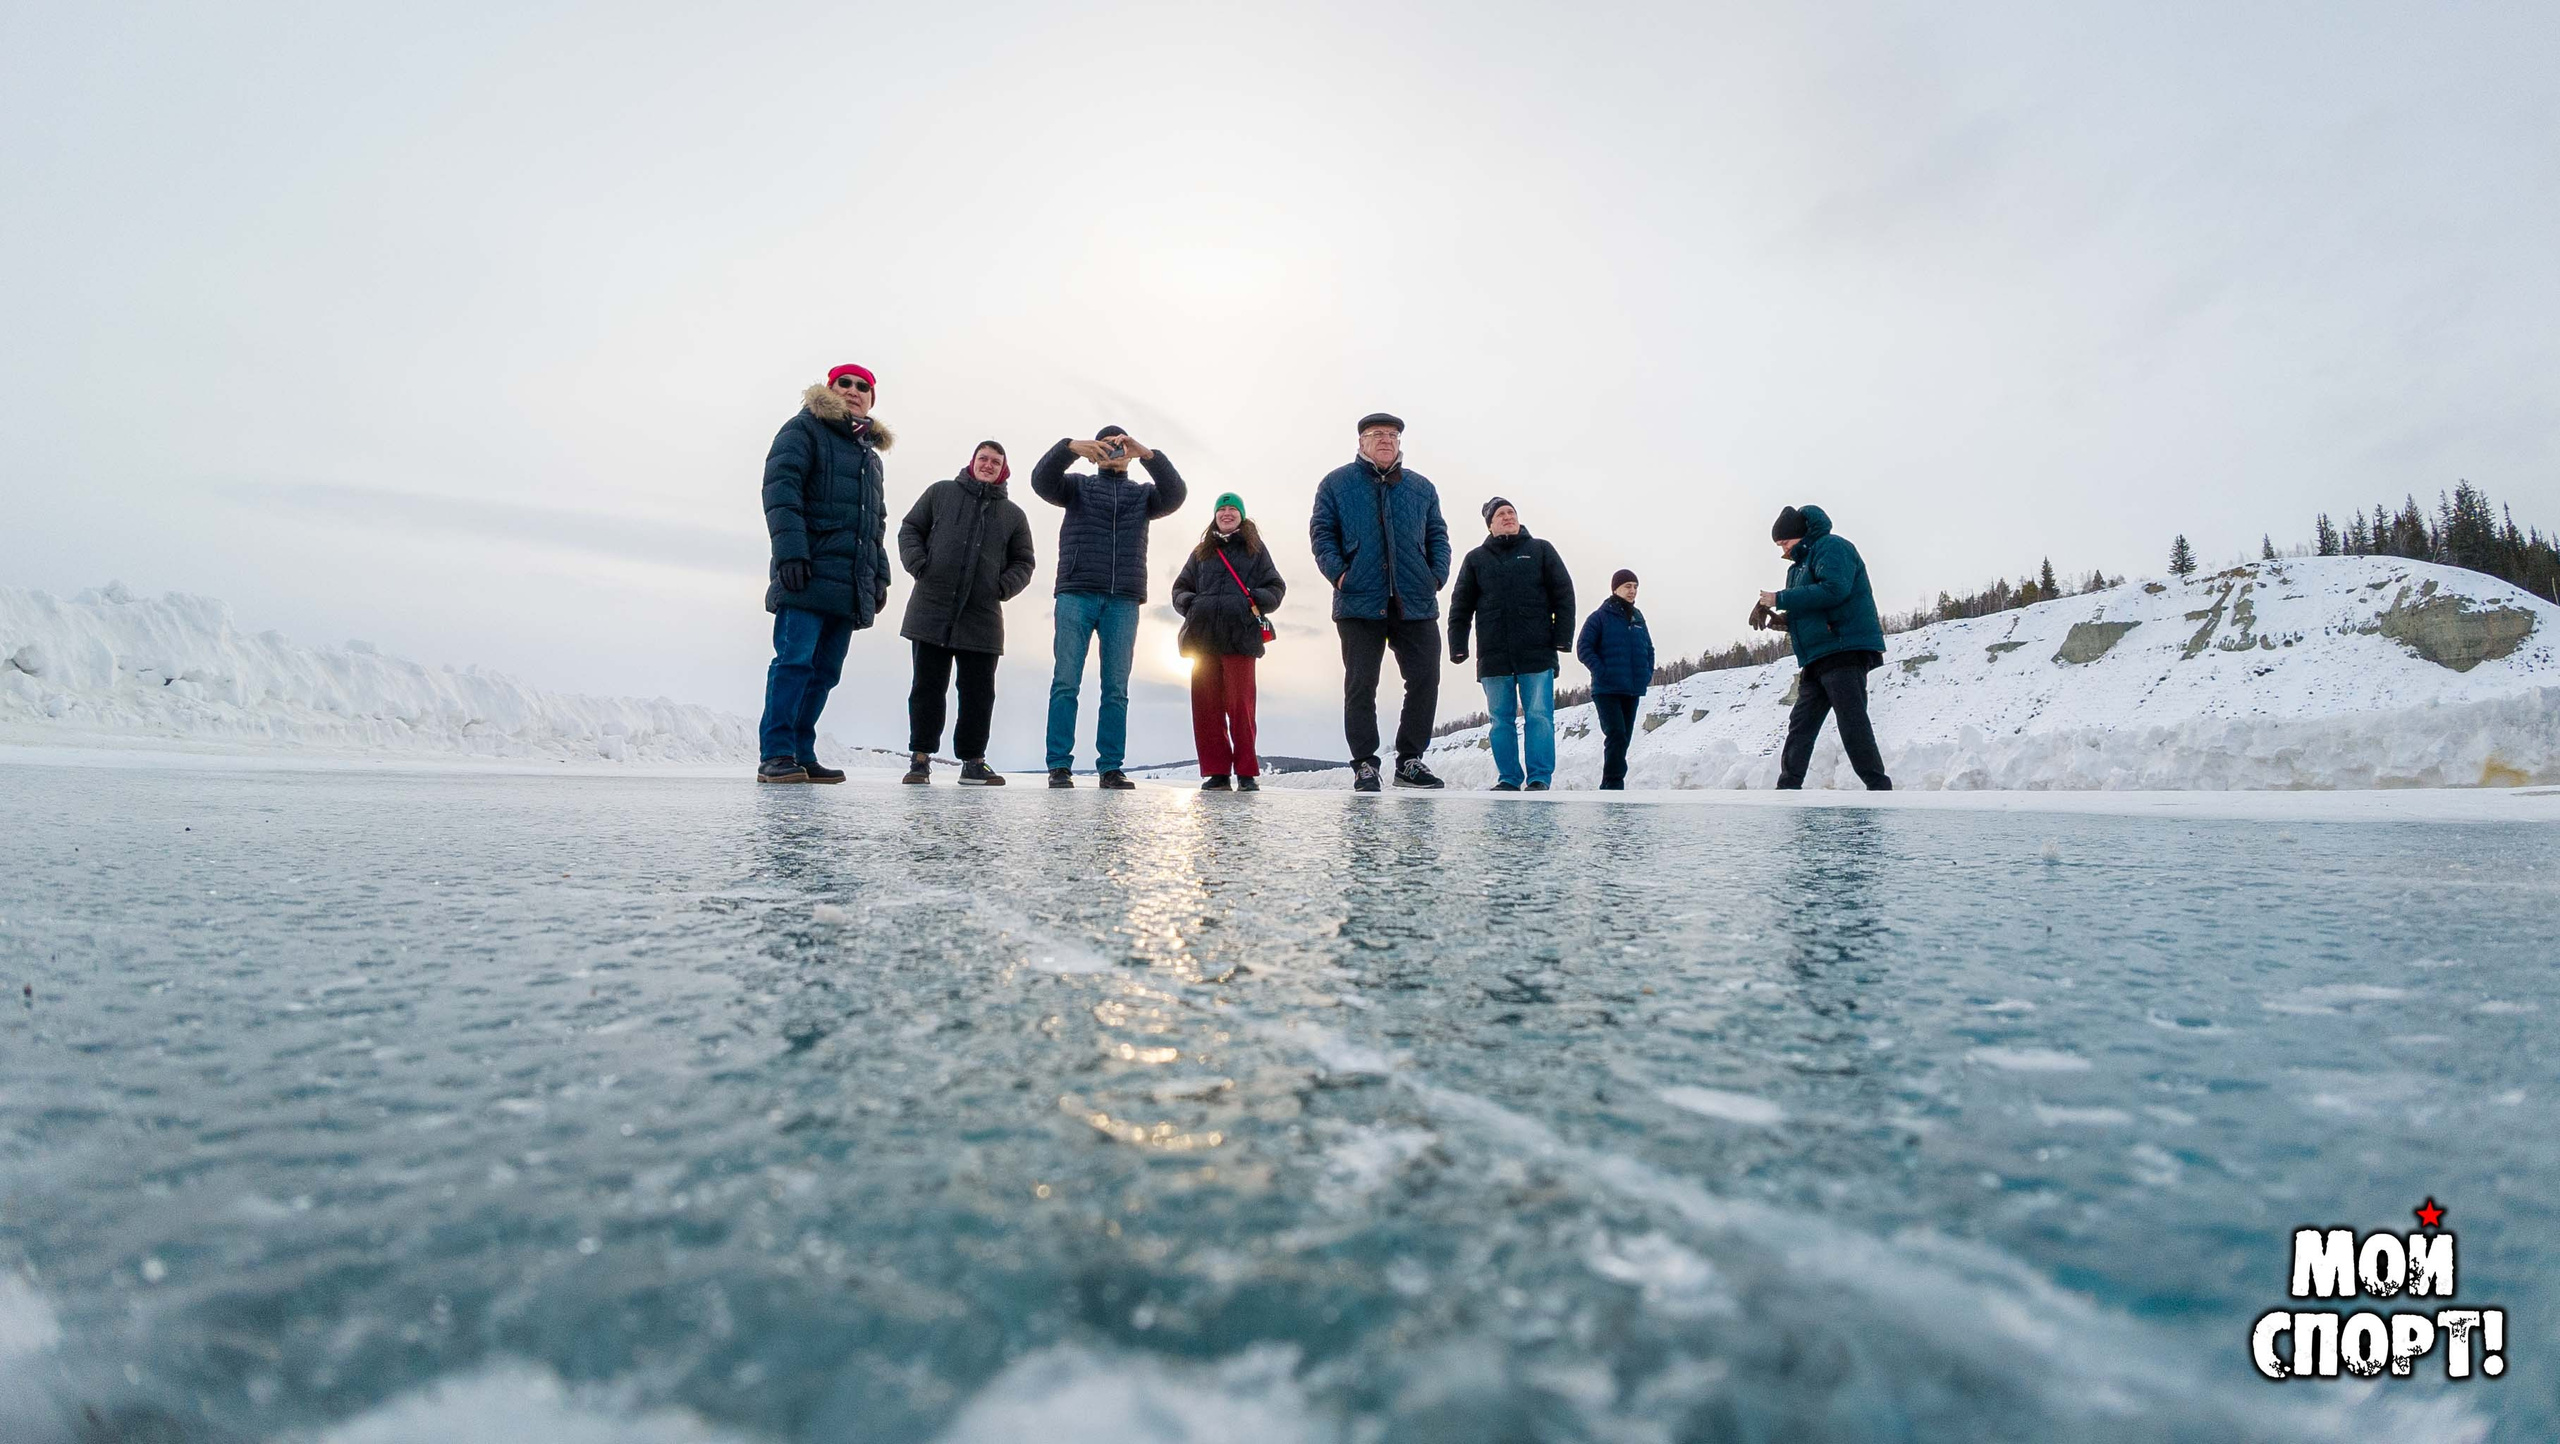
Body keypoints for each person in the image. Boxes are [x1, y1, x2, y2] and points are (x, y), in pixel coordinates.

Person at [757, 363, 893, 784]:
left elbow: (876, 522)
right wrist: (790, 554)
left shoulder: (870, 458)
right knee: (794, 662)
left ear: (871, 399)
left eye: (862, 387)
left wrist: (879, 577)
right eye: (844, 383)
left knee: (825, 672)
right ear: (830, 389)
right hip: (807, 571)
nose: (853, 390)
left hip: (849, 582)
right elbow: (781, 489)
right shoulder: (803, 430)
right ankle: (776, 753)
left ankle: (801, 751)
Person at [1031, 426, 1188, 789]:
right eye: (1107, 445)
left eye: (1120, 446)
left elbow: (1176, 494)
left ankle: (1111, 768)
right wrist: (1070, 447)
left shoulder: (1143, 496)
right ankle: (1059, 765)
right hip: (1076, 593)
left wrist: (1147, 454)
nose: (1115, 451)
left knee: (1116, 689)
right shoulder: (1076, 487)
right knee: (1066, 682)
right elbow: (1041, 481)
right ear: (1094, 452)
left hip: (1123, 600)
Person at [1309, 412, 1451, 792]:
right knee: (1361, 684)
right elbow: (1322, 534)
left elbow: (1438, 535)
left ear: (1399, 443)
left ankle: (1410, 760)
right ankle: (1365, 764)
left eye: (1392, 434)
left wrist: (1435, 576)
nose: (1386, 439)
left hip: (1415, 599)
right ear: (1361, 443)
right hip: (1359, 600)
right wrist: (1341, 575)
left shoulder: (1421, 488)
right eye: (1376, 434)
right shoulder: (1336, 484)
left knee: (1425, 679)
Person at [896, 441, 1036, 786]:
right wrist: (919, 564)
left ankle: (973, 762)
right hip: (931, 607)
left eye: (995, 462)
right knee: (927, 687)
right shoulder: (940, 493)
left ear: (1003, 469)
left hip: (982, 615)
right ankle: (920, 759)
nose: (988, 465)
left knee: (978, 693)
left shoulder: (1013, 515)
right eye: (983, 458)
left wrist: (1002, 587)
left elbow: (1024, 561)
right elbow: (910, 528)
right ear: (972, 462)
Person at [1761, 504, 1892, 790]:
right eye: (1779, 544)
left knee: (1851, 721)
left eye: (1785, 541)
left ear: (1800, 534)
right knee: (1800, 726)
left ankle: (1879, 787)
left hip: (1843, 649)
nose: (1783, 548)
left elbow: (1834, 590)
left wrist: (1780, 598)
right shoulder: (1797, 568)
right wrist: (1784, 619)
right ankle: (1787, 788)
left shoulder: (1831, 547)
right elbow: (1811, 605)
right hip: (1816, 656)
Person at [1448, 497, 1575, 791]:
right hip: (1493, 655)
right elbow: (1460, 606)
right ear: (1490, 524)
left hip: (1537, 652)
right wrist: (1458, 645)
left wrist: (1562, 638)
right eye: (1501, 514)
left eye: (1511, 512)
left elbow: (1564, 594)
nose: (1508, 517)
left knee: (1539, 716)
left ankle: (1539, 777)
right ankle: (1508, 778)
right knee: (1500, 720)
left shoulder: (1540, 550)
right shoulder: (1476, 559)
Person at [1170, 493, 1285, 791]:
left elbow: (1276, 586)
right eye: (1222, 509)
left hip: (1240, 637)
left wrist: (1253, 600)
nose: (1227, 513)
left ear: (1242, 516)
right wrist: (1192, 605)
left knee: (1240, 707)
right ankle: (1217, 773)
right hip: (1204, 639)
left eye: (1233, 509)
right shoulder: (1201, 552)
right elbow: (1180, 588)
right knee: (1206, 709)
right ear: (1215, 516)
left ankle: (1246, 773)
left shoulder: (1255, 549)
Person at [1576, 570, 1655, 790]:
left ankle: (1612, 783)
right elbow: (1583, 648)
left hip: (1632, 689)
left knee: (1624, 737)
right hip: (1607, 689)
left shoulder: (1638, 618)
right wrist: (1602, 671)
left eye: (1635, 586)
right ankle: (1612, 784)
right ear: (1615, 588)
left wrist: (1646, 673)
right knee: (1616, 734)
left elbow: (1649, 648)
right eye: (1628, 586)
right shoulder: (1599, 617)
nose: (1632, 591)